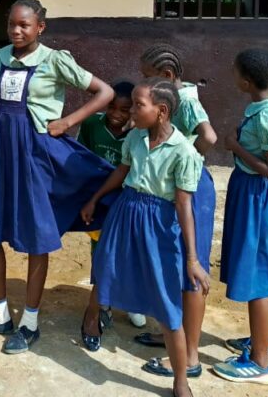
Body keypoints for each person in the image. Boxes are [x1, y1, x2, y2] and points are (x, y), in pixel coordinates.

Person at [0, 0, 115, 355]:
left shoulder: (54, 60)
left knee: (36, 238)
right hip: (1, 154)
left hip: (35, 158)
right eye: (12, 25)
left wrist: (67, 122)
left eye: (25, 26)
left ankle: (29, 321)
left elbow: (105, 92)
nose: (17, 31)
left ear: (40, 27)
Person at [80, 80, 210, 397]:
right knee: (106, 267)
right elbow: (122, 171)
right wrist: (96, 198)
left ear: (161, 111)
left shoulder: (184, 152)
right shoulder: (136, 137)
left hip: (159, 223)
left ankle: (181, 381)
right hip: (126, 212)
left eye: (138, 105)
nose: (132, 111)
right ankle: (92, 316)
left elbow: (184, 205)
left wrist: (192, 260)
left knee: (167, 302)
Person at [213, 48, 268, 386]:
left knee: (259, 276)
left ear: (246, 81)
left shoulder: (265, 116)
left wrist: (235, 148)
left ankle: (261, 363)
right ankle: (265, 341)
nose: (232, 76)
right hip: (258, 197)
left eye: (234, 72)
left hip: (258, 197)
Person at [135, 45, 218, 378]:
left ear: (166, 77)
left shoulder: (186, 99)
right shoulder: (174, 98)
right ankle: (174, 335)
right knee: (173, 261)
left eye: (147, 76)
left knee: (191, 267)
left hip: (192, 189)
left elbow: (208, 137)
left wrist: (186, 160)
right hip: (178, 188)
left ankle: (192, 355)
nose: (143, 81)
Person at [77, 79, 147, 331]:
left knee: (132, 250)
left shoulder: (140, 134)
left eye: (124, 109)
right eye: (112, 107)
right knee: (101, 250)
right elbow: (81, 157)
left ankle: (132, 300)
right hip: (100, 198)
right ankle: (103, 303)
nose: (116, 115)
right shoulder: (92, 125)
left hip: (128, 200)